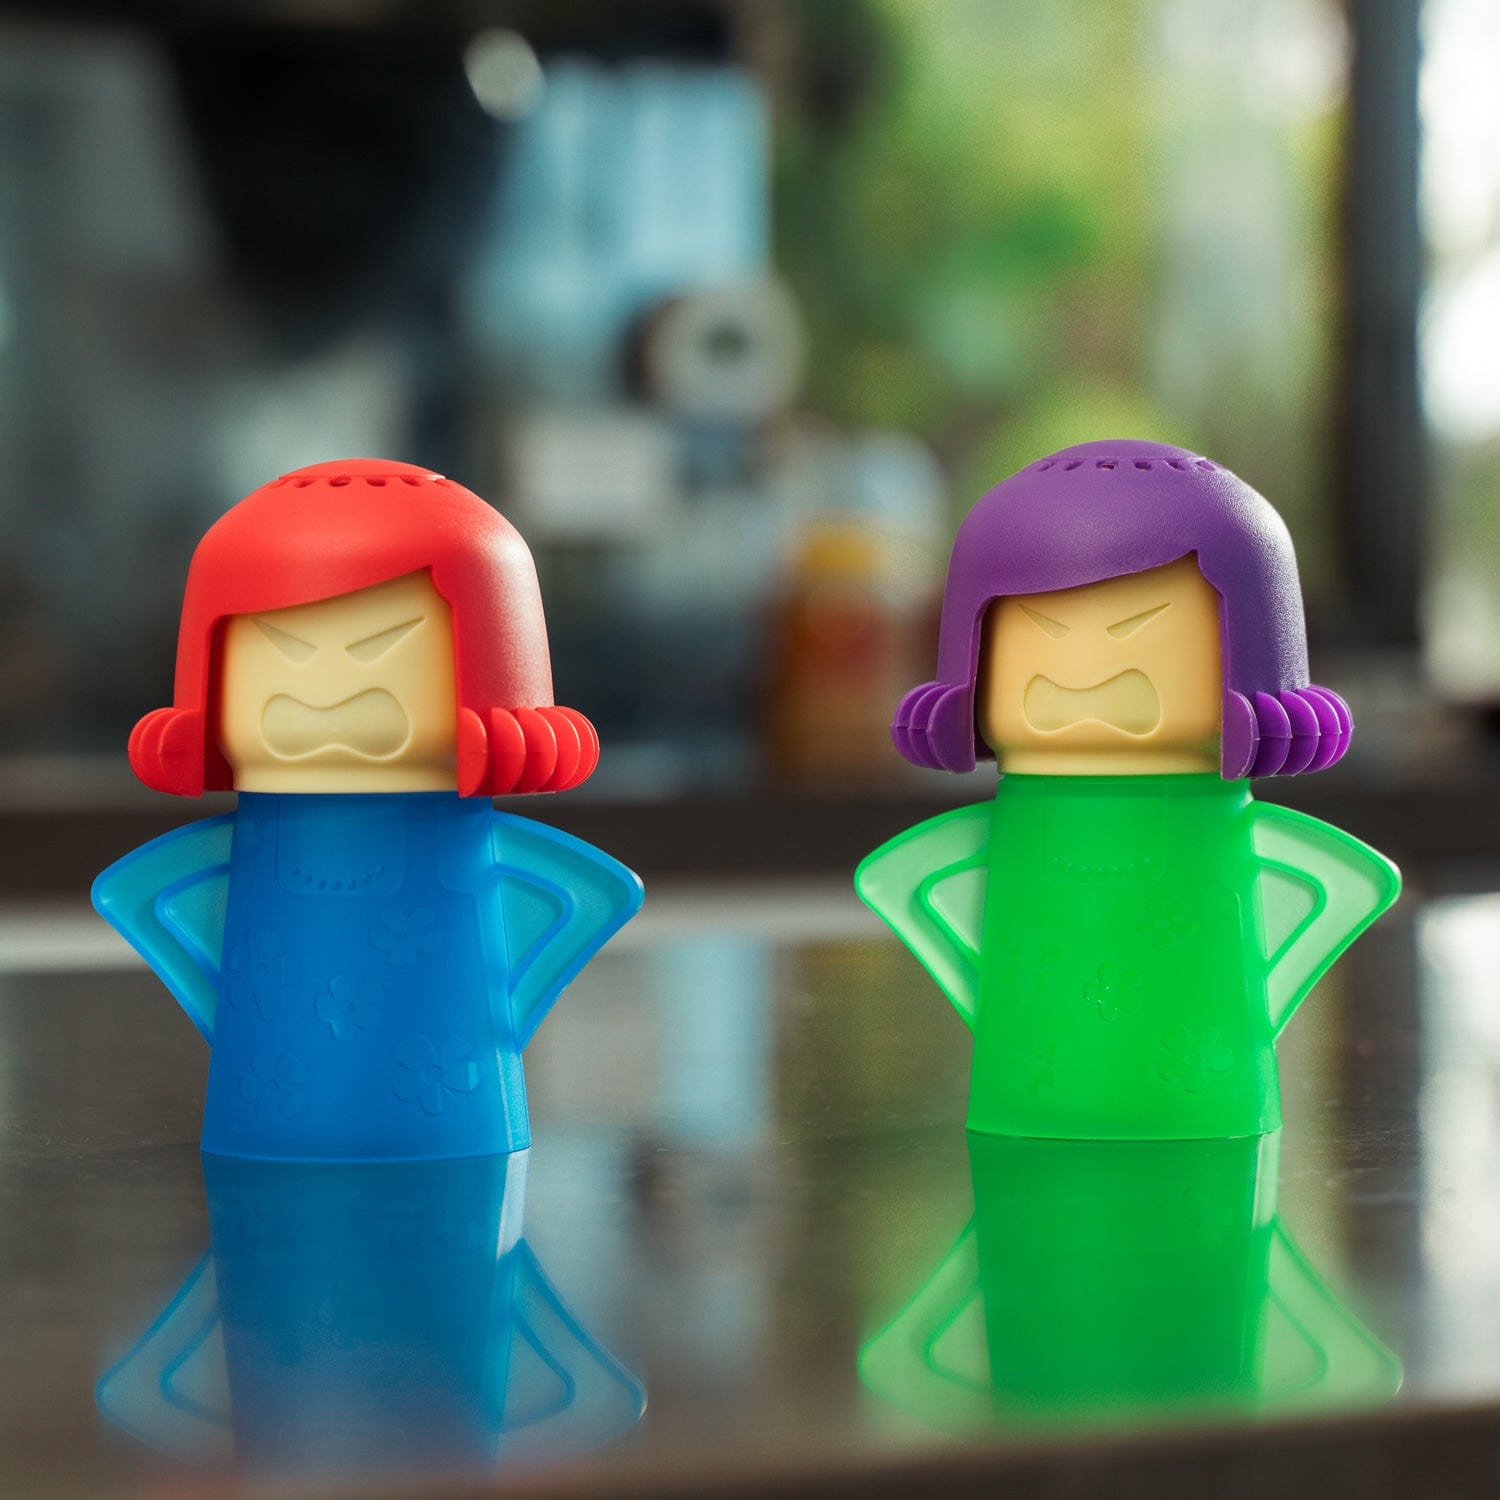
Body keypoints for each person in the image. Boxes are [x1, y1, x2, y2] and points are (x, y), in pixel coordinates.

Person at [94, 458, 642, 1161]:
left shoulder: (509, 869)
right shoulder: (206, 873)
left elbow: (582, 901)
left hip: (451, 1143)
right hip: (278, 1132)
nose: (325, 688)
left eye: (380, 647)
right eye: (286, 650)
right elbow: (151, 902)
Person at [856, 438, 1399, 1139]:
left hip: (1200, 1113)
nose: (1081, 668)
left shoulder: (1235, 824)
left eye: (1134, 628)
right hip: (1033, 1106)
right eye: (1044, 630)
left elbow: (1342, 884)